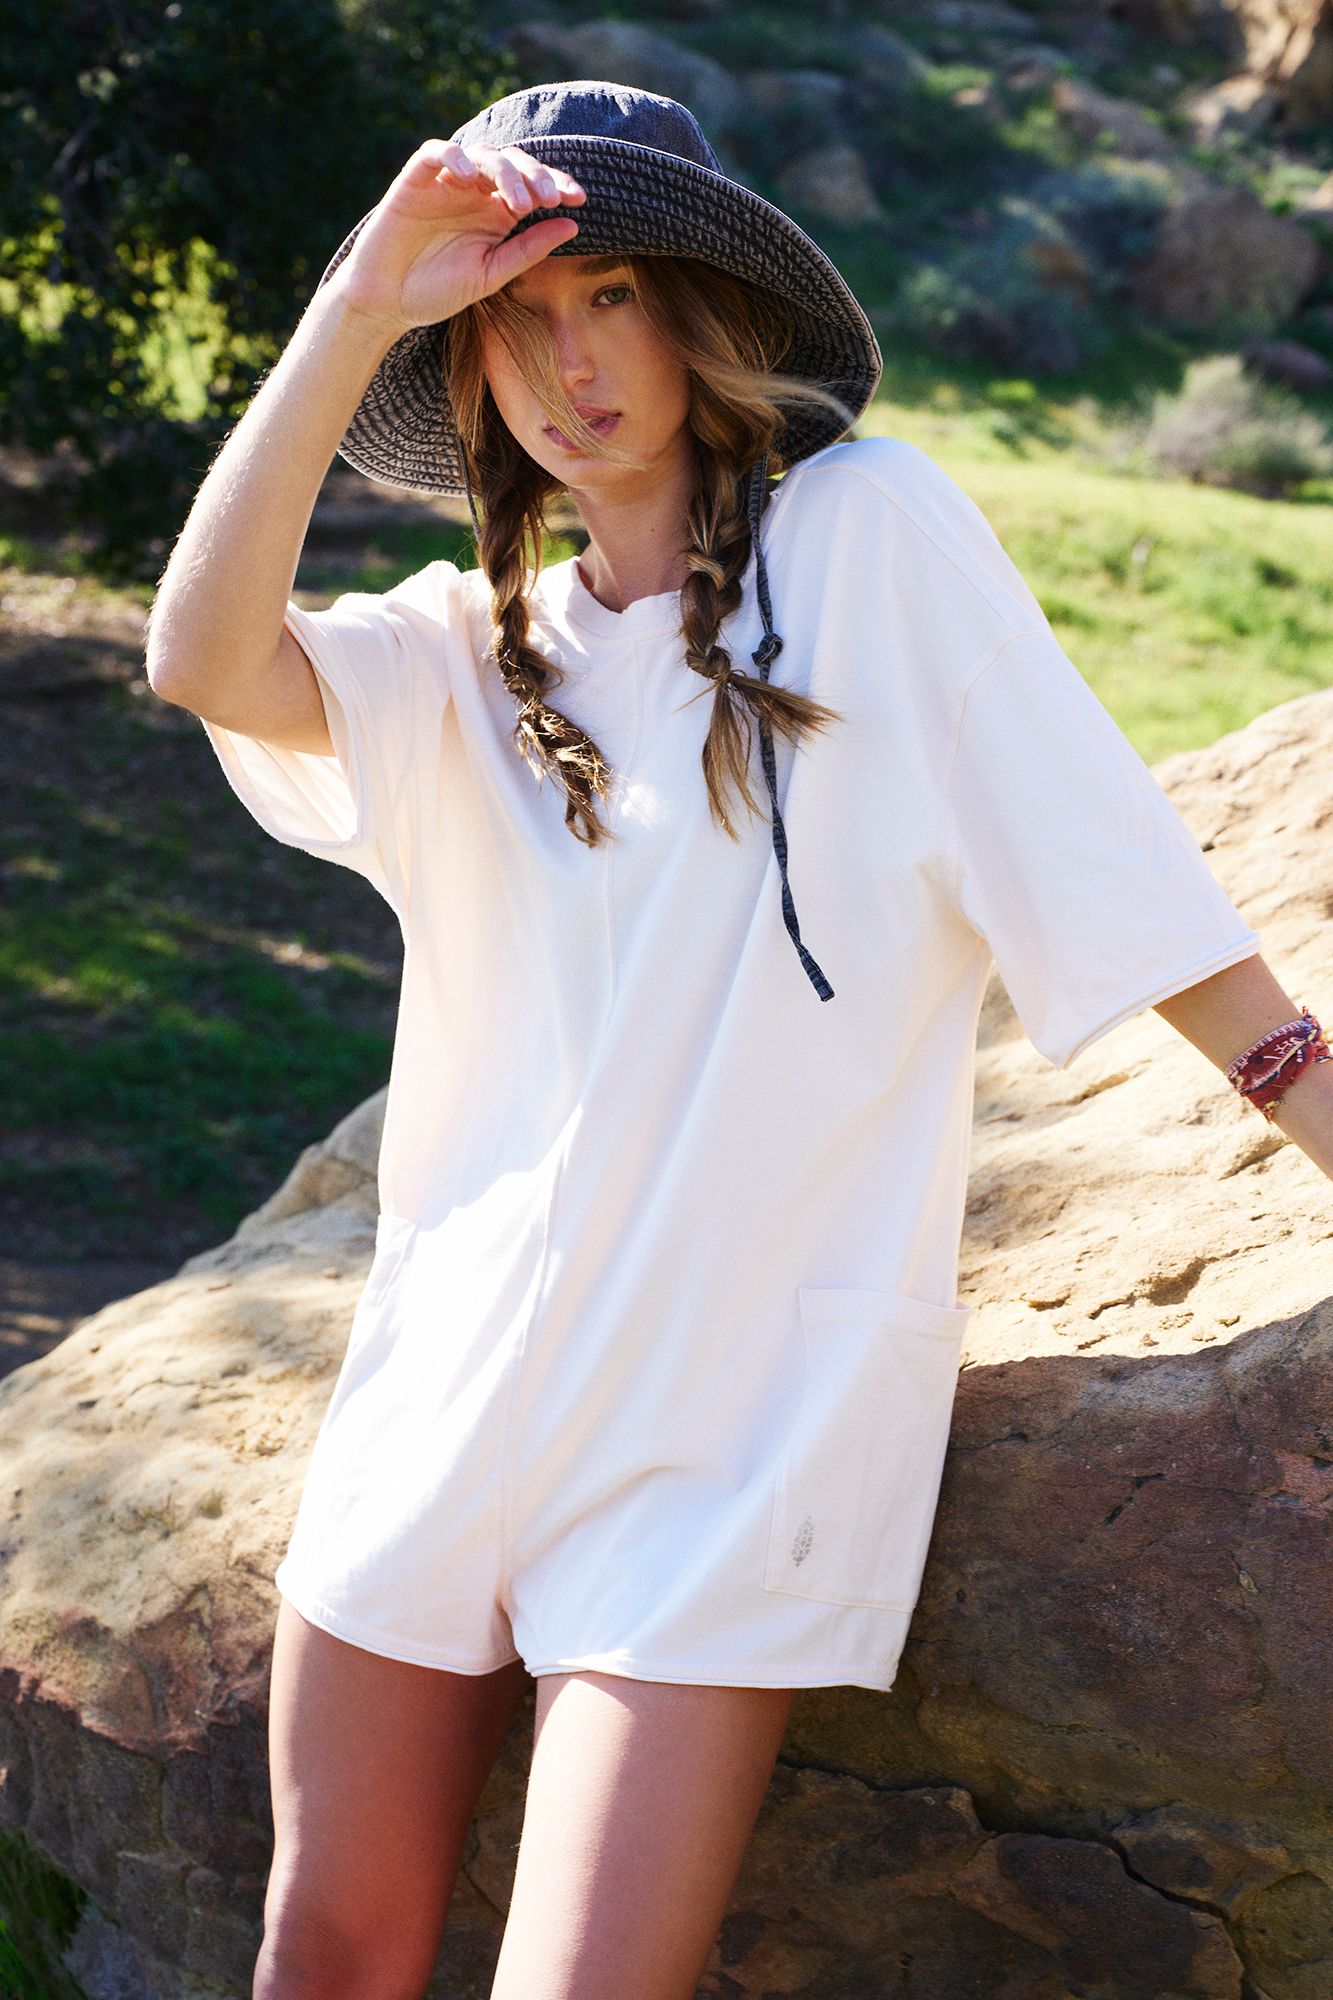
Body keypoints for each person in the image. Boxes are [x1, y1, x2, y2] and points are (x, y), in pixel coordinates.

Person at [145, 78, 1333, 2000]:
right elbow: (198, 657)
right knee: (325, 1953)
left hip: (728, 1440)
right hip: (442, 1395)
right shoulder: (458, 652)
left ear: (705, 313)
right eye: (510, 318)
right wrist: (358, 302)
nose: (565, 363)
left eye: (607, 296)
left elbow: (1113, 870)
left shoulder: (869, 537)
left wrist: (1306, 1097)